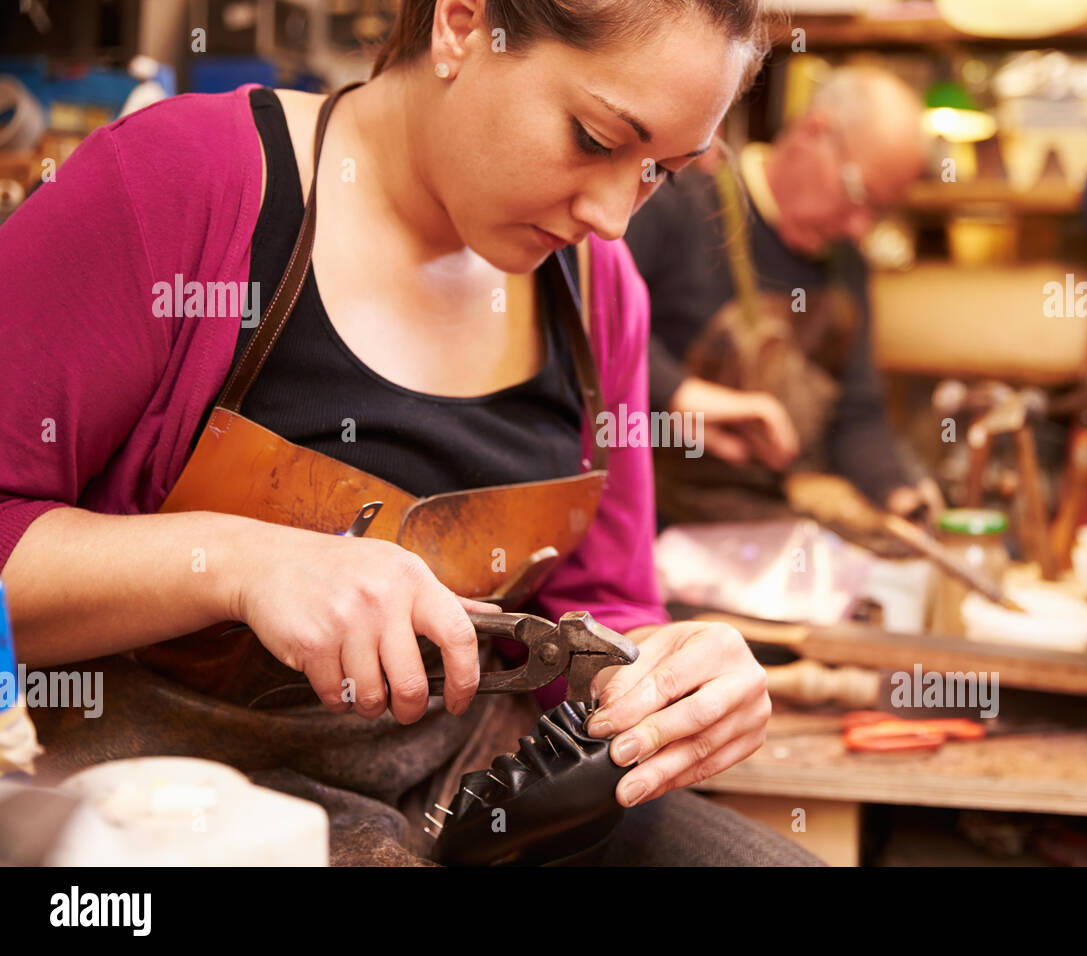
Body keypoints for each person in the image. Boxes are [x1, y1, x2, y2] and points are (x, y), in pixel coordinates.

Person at [0, 0, 822, 866]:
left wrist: (663, 672)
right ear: (461, 26)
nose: (616, 216)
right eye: (593, 137)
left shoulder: (599, 284)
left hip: (472, 797)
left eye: (661, 168)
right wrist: (242, 564)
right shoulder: (175, 185)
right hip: (162, 803)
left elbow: (603, 607)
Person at [625, 65, 945, 525]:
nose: (860, 225)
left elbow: (856, 411)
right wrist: (679, 393)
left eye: (880, 211)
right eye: (859, 194)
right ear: (815, 132)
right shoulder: (684, 198)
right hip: (658, 521)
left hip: (773, 527)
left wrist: (897, 492)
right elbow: (592, 319)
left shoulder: (846, 264)